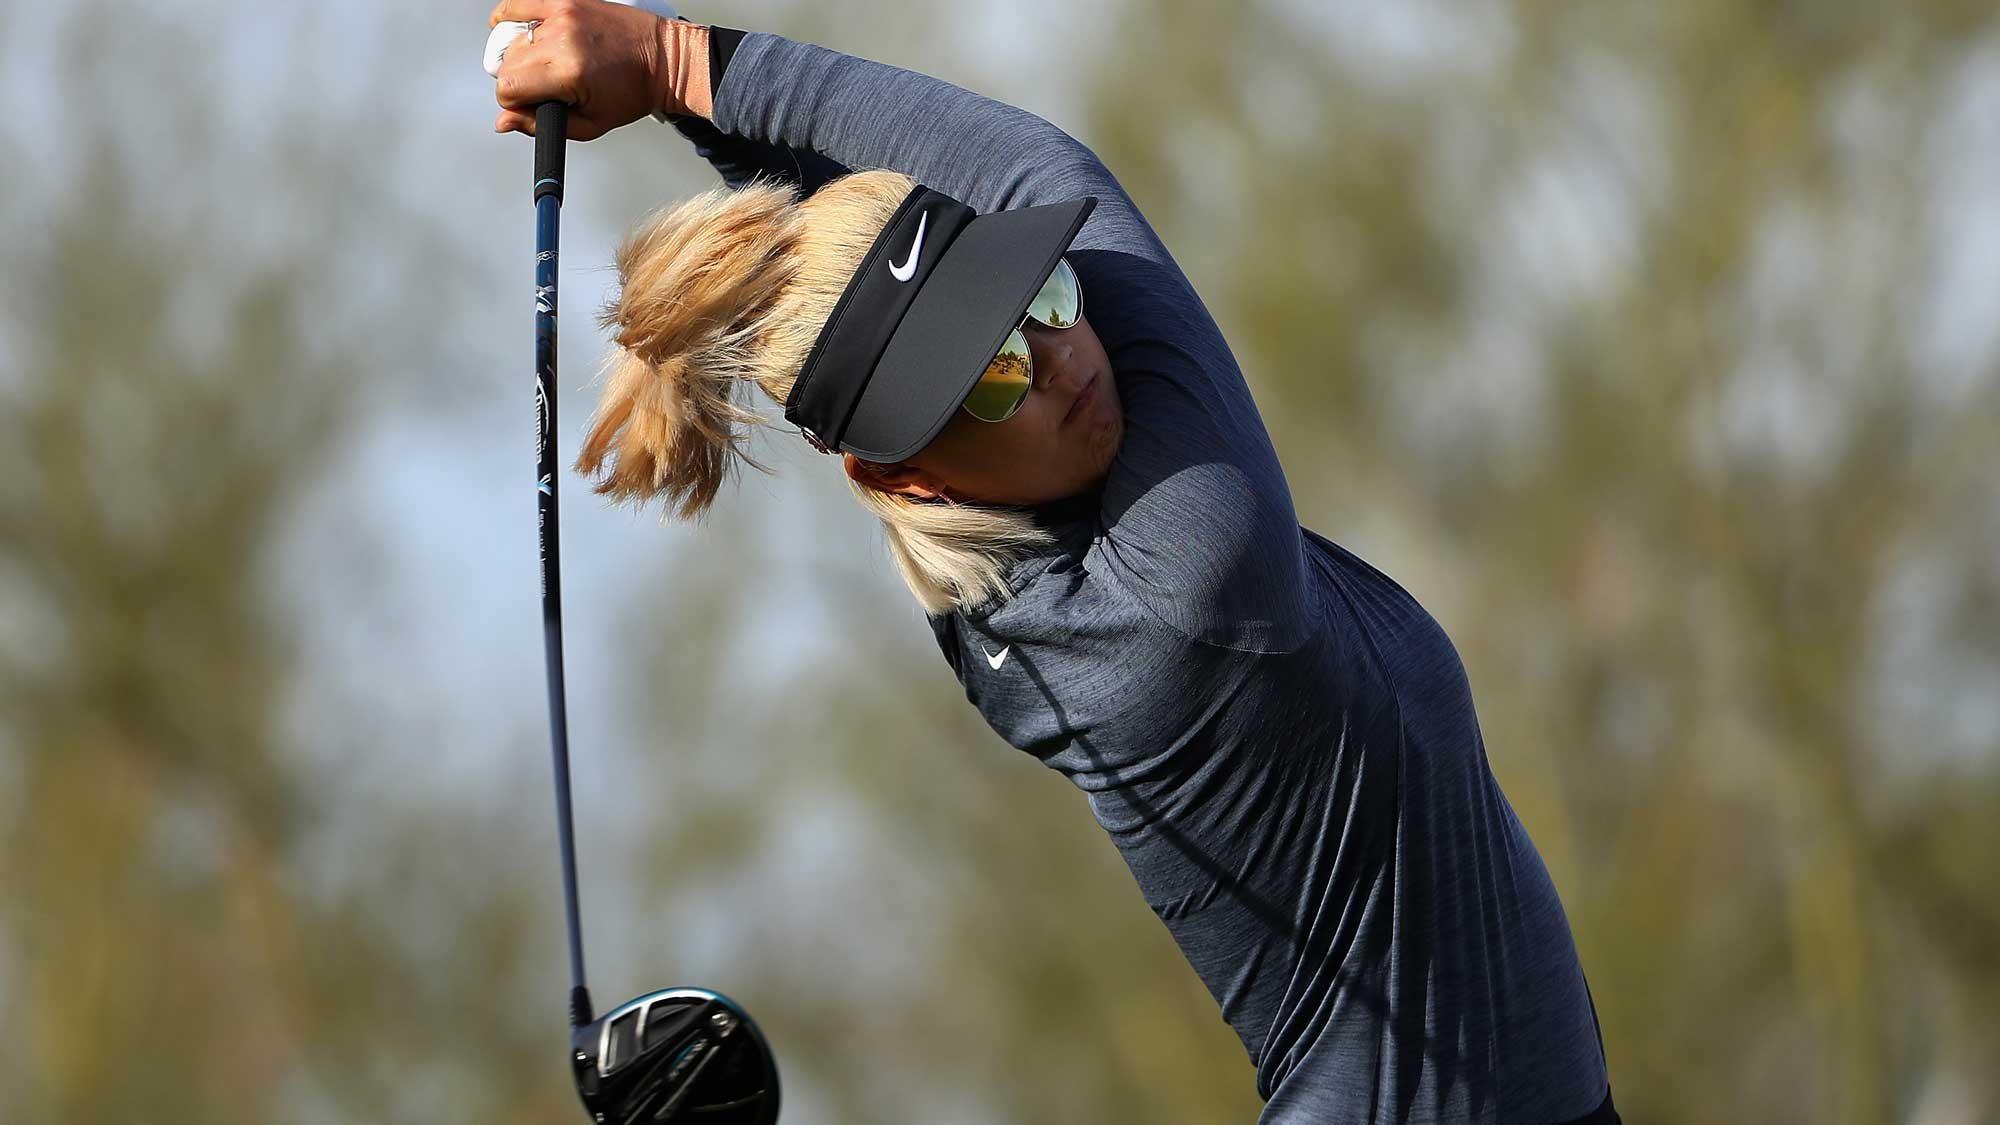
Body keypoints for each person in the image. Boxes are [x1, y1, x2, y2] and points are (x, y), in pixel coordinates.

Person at [489, 2, 1619, 1120]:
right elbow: (1035, 163)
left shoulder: (1007, 560)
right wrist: (671, 56)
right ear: (902, 480)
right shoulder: (1189, 587)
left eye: (1039, 292)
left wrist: (688, 98)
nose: (1058, 356)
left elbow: (988, 212)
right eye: (987, 381)